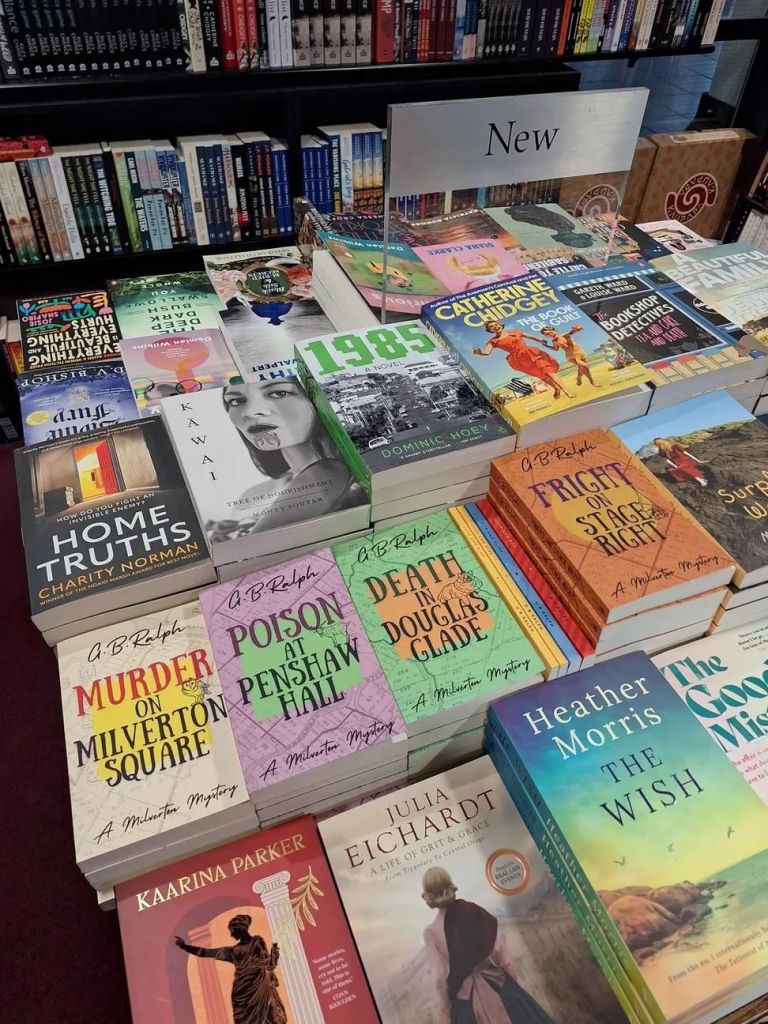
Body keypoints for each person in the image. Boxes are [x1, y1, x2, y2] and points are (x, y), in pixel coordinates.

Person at [207, 379, 363, 541]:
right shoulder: (252, 495)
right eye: (236, 401)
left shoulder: (355, 482)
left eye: (279, 393)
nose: (249, 412)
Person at [421, 867, 556, 1024]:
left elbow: (439, 979)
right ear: (450, 885)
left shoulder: (431, 932)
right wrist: (511, 989)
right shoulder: (474, 910)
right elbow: (501, 952)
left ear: (428, 895)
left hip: (466, 1006)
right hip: (500, 986)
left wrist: (445, 1017)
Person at [175, 914, 287, 1024]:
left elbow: (269, 965)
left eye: (232, 930)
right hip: (241, 992)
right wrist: (184, 946)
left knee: (269, 1017)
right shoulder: (233, 951)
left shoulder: (257, 943)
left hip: (260, 987)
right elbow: (205, 952)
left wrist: (274, 954)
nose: (231, 934)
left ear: (240, 928)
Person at [473, 320, 572, 400]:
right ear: (490, 331)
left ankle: (567, 391)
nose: (495, 327)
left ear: (500, 325)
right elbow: (486, 352)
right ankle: (556, 388)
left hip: (530, 352)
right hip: (520, 360)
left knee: (549, 371)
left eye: (496, 324)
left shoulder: (516, 332)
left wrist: (540, 340)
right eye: (491, 327)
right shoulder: (493, 341)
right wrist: (479, 352)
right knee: (540, 374)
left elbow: (532, 337)